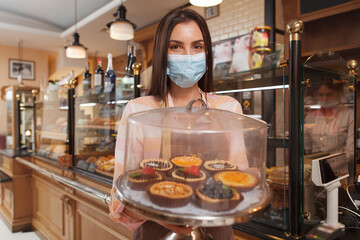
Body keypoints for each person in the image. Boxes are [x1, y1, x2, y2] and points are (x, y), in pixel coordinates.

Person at [109, 8, 243, 240]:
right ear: (163, 53)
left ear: (207, 53)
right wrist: (158, 213)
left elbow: (240, 185)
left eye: (197, 46)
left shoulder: (228, 109)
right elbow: (121, 197)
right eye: (176, 46)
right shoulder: (138, 111)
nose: (188, 55)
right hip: (154, 233)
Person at [304, 78, 354, 178]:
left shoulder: (349, 115)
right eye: (321, 95)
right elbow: (307, 145)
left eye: (329, 94)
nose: (324, 99)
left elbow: (350, 151)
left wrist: (328, 166)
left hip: (339, 172)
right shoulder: (311, 116)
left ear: (339, 93)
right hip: (314, 172)